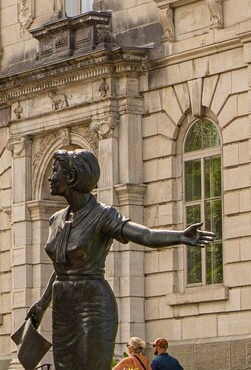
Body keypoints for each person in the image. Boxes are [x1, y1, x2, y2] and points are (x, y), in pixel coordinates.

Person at [21, 150, 215, 370]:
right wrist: (42, 303)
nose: (50, 177)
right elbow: (61, 267)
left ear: (72, 177)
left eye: (55, 171)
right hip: (64, 305)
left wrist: (179, 236)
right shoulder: (56, 219)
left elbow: (145, 235)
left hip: (92, 304)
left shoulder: (102, 215)